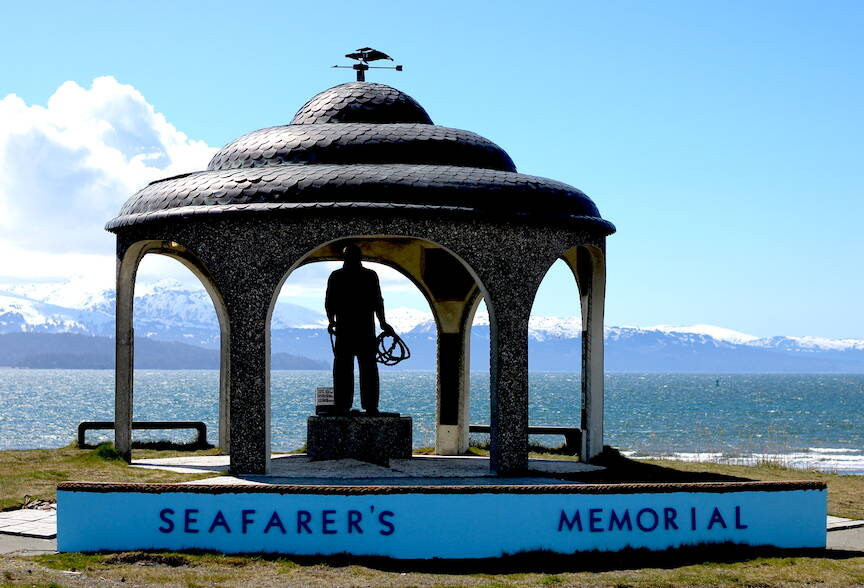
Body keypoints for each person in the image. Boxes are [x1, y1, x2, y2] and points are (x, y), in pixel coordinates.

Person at [325, 243, 394, 415]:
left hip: (347, 330)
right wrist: (382, 322)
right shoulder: (369, 276)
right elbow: (378, 301)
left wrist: (331, 321)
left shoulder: (337, 276)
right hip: (363, 330)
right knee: (366, 368)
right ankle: (368, 406)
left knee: (345, 368)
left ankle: (344, 405)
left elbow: (329, 302)